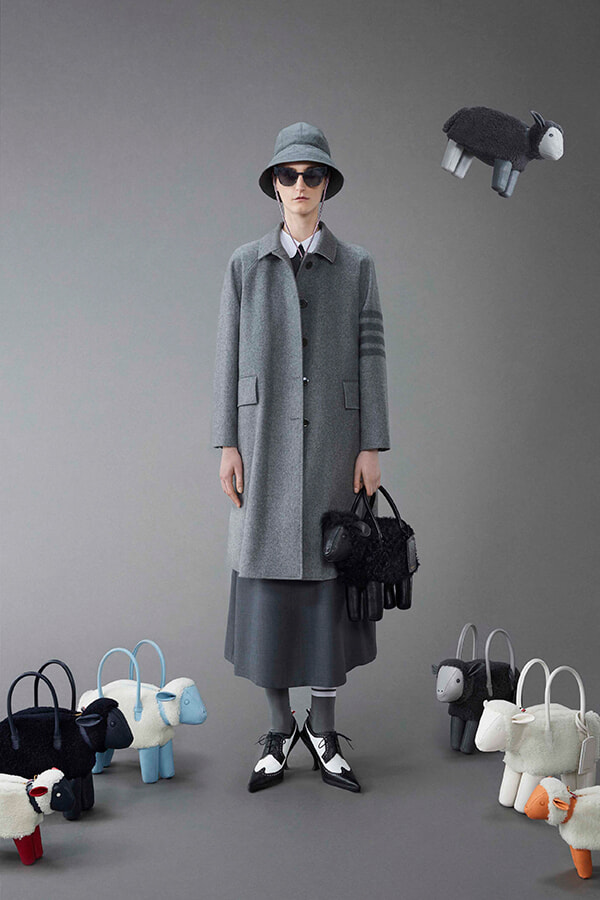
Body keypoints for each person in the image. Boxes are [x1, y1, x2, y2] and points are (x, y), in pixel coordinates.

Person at [211, 122, 391, 793]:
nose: (300, 186)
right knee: (266, 586)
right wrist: (226, 442)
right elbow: (226, 359)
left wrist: (372, 443)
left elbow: (372, 357)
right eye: (288, 175)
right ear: (275, 185)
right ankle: (277, 728)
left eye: (312, 175)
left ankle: (324, 730)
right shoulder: (244, 264)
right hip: (261, 443)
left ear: (326, 185)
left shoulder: (358, 266)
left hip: (335, 446)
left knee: (329, 580)